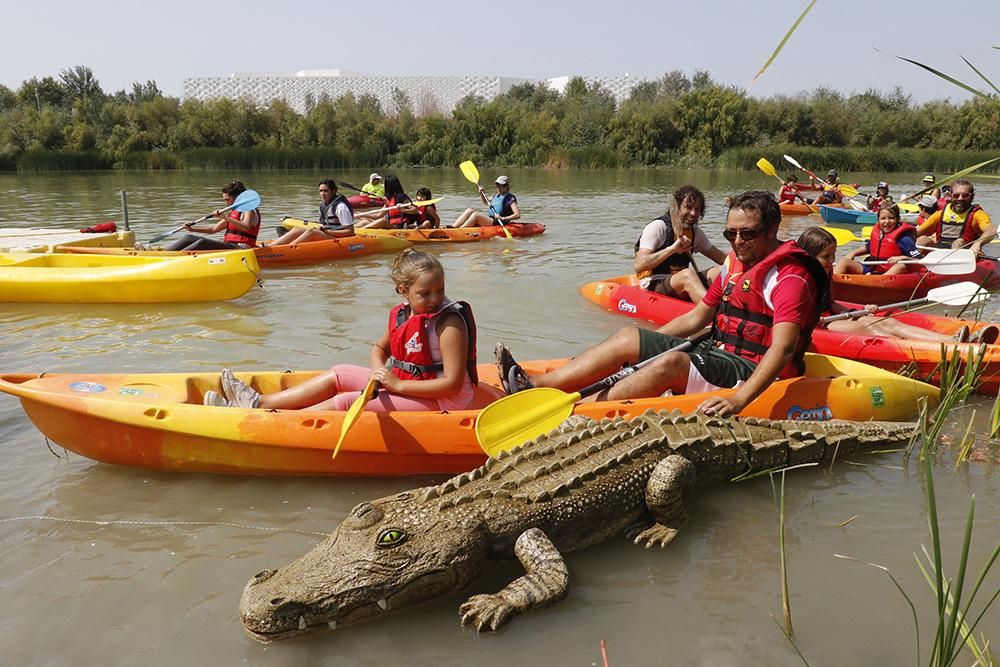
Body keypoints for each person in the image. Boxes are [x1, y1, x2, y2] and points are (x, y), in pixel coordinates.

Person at [495, 190, 829, 418]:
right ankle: (537, 385)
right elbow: (698, 315)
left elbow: (783, 349)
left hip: (752, 369)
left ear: (773, 229)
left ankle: (579, 412)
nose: (737, 242)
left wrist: (739, 400)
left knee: (671, 364)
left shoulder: (790, 278)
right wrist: (645, 347)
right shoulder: (738, 265)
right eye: (730, 234)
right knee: (630, 337)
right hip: (720, 352)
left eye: (748, 234)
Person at [204, 249, 480, 412]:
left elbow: (453, 383)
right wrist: (377, 372)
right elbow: (379, 349)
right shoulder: (404, 314)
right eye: (425, 293)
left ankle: (276, 421)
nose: (435, 299)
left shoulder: (449, 323)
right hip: (413, 386)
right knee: (339, 373)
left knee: (348, 400)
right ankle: (259, 404)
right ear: (403, 291)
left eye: (439, 290)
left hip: (446, 400)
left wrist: (397, 385)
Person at [798, 227, 995, 343]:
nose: (832, 261)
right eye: (826, 256)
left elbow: (832, 304)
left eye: (833, 255)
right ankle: (915, 347)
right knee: (870, 328)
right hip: (819, 326)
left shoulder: (826, 274)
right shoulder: (798, 280)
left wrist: (857, 310)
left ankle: (950, 341)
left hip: (832, 318)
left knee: (885, 321)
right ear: (808, 255)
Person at [634, 185, 726, 302]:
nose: (693, 213)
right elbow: (639, 265)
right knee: (686, 275)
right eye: (688, 207)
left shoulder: (695, 233)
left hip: (679, 280)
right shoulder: (658, 227)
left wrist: (748, 256)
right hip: (653, 282)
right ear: (676, 207)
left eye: (697, 209)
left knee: (720, 272)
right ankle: (713, 313)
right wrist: (672, 249)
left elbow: (722, 258)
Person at [165, 181, 261, 251]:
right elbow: (213, 229)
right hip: (230, 245)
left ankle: (176, 259)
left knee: (202, 243)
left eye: (227, 200)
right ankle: (164, 254)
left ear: (237, 198)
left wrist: (225, 218)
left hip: (242, 249)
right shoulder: (234, 212)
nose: (225, 202)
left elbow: (246, 227)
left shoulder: (249, 210)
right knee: (188, 238)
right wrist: (193, 229)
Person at [835, 204, 918, 276]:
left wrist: (903, 258)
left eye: (891, 218)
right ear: (878, 219)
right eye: (883, 218)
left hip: (891, 274)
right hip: (871, 269)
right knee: (844, 262)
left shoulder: (904, 239)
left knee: (900, 266)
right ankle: (829, 286)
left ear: (898, 219)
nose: (887, 221)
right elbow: (869, 247)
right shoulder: (879, 233)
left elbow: (919, 260)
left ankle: (873, 281)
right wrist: (853, 253)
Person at [266, 179, 355, 246]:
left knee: (312, 232)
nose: (322, 194)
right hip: (329, 234)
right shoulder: (323, 206)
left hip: (342, 239)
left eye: (326, 191)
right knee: (298, 229)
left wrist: (328, 232)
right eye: (320, 191)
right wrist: (325, 231)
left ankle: (287, 249)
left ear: (334, 191)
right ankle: (269, 247)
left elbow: (350, 232)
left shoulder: (341, 207)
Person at [916, 179, 995, 254]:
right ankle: (918, 265)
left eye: (965, 195)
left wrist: (978, 243)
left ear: (972, 196)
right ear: (951, 195)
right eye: (956, 195)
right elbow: (918, 232)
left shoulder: (978, 214)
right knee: (923, 240)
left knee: (958, 243)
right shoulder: (940, 213)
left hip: (965, 252)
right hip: (940, 251)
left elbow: (991, 231)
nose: (960, 199)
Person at [451, 175, 520, 228]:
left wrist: (503, 218)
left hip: (499, 221)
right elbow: (486, 202)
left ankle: (461, 230)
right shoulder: (496, 195)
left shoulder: (510, 198)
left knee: (476, 215)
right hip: (492, 219)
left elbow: (517, 215)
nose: (498, 187)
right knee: (470, 210)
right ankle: (453, 227)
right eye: (497, 185)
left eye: (500, 186)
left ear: (506, 186)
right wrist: (481, 193)